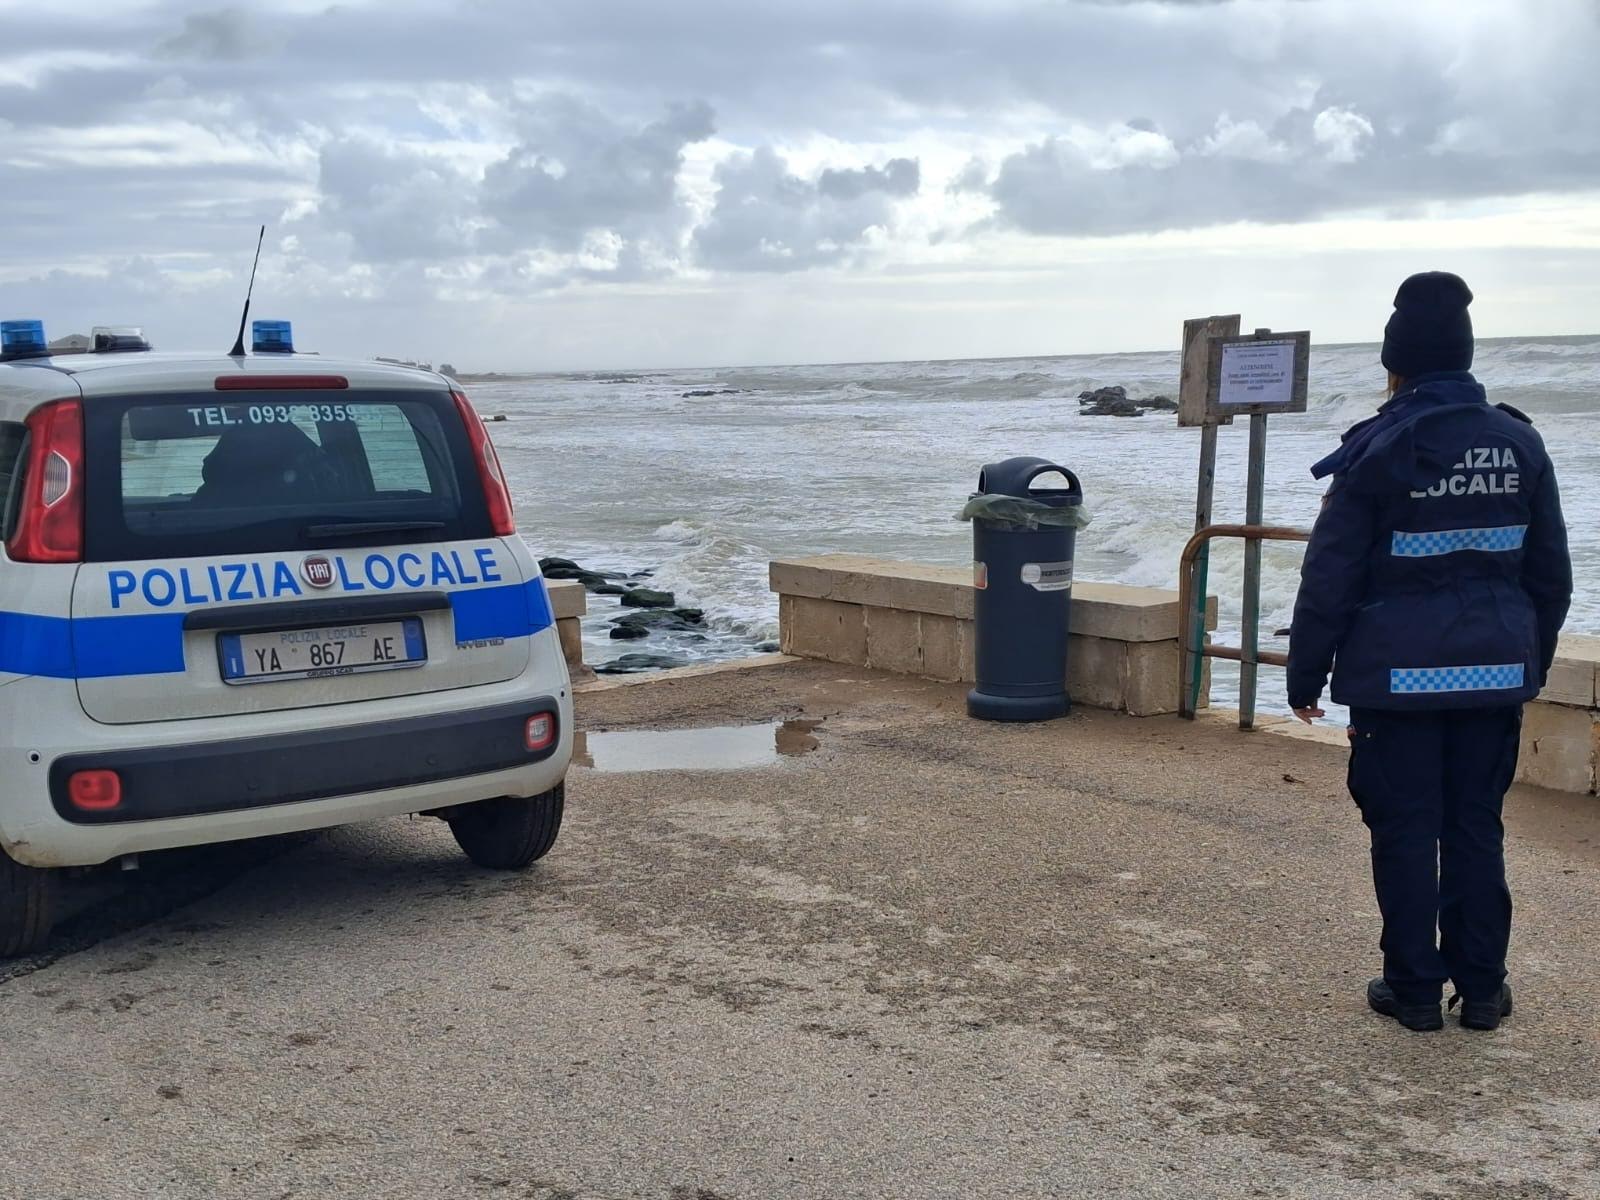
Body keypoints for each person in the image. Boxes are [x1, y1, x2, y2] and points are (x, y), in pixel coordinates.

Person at [1285, 272, 1572, 1033]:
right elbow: (1550, 576)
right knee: (1476, 827)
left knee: (1405, 832)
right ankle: (1482, 990)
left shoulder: (1377, 451)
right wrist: (1525, 665)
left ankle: (1413, 991)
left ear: (1396, 364)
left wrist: (1306, 673)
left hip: (1397, 684)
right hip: (1493, 679)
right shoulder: (1520, 443)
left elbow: (1330, 576)